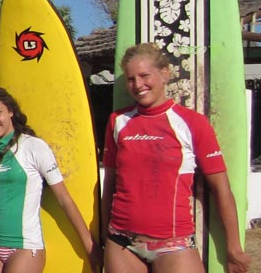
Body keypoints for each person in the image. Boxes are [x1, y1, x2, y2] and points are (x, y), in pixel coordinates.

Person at [102, 43, 250, 273]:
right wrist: (103, 234)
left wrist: (234, 248)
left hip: (174, 244)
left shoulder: (193, 123)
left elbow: (221, 189)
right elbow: (109, 183)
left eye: (144, 76)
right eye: (131, 79)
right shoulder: (118, 121)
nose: (138, 85)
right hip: (121, 242)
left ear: (165, 74)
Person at [0, 86, 94, 272]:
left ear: (10, 111)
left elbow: (63, 199)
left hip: (25, 247)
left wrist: (89, 246)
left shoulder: (34, 147)